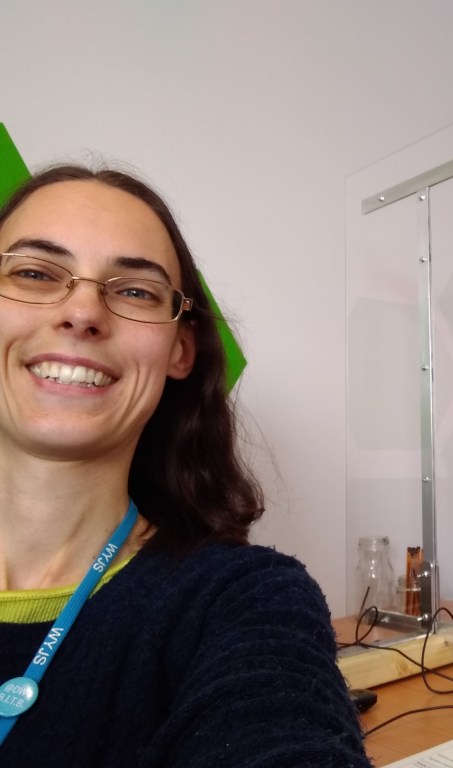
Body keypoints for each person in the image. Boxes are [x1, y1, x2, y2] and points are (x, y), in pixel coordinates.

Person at [0, 165, 372, 766]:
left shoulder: (242, 600)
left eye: (135, 291)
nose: (82, 312)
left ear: (179, 350)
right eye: (35, 273)